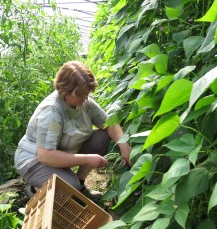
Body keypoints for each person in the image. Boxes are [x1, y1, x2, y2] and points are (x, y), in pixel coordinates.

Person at [14, 60, 132, 201]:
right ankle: (36, 189)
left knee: (102, 136)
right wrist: (87, 159)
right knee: (69, 188)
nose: (85, 97)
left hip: (60, 153)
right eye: (81, 94)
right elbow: (45, 156)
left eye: (87, 93)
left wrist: (124, 146)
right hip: (34, 161)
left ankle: (79, 184)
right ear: (64, 90)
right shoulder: (52, 111)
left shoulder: (84, 102)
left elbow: (110, 124)